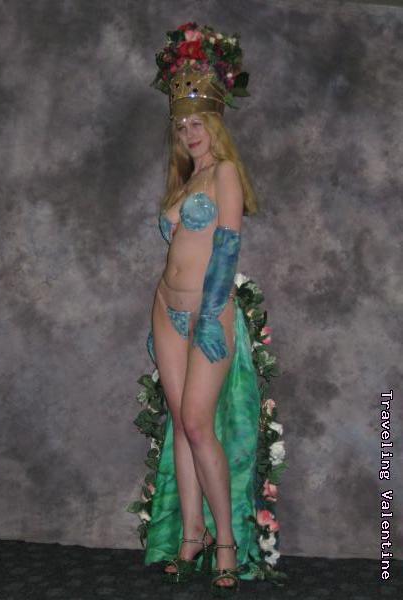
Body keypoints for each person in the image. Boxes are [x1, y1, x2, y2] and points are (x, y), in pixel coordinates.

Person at [144, 23, 262, 596]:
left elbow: (227, 245)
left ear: (215, 121)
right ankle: (191, 534)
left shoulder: (226, 174)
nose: (189, 133)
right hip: (166, 311)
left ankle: (227, 542)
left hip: (208, 312)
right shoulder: (185, 179)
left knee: (197, 422)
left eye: (197, 122)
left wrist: (214, 314)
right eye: (181, 125)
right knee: (179, 423)